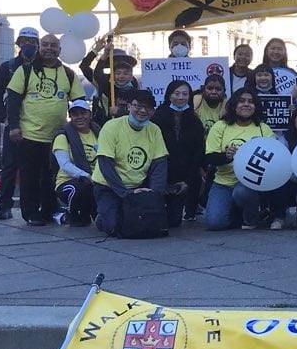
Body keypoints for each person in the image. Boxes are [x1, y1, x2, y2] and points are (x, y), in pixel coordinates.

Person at [5, 33, 86, 226]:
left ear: (60, 50)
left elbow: (79, 101)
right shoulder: (25, 71)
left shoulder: (68, 74)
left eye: (54, 46)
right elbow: (13, 100)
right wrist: (14, 127)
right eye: (45, 45)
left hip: (58, 138)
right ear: (39, 47)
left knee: (52, 177)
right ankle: (30, 213)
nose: (49, 48)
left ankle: (49, 210)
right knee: (29, 177)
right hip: (29, 135)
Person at [92, 89, 169, 235]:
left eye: (148, 108)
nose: (142, 111)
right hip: (109, 187)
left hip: (139, 186)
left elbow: (160, 163)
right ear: (128, 106)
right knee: (116, 226)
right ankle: (102, 217)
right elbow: (105, 164)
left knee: (155, 224)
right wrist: (125, 193)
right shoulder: (111, 127)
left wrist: (154, 194)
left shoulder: (155, 130)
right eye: (137, 106)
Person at [204, 89, 276, 231]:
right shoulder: (220, 126)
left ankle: (251, 219)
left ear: (256, 106)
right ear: (234, 105)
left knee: (242, 192)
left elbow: (274, 158)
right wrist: (226, 156)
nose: (246, 105)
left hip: (251, 183)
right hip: (223, 183)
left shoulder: (263, 129)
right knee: (215, 223)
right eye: (241, 101)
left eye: (250, 102)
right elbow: (209, 157)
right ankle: (238, 214)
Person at [0, 26, 39, 220]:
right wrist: (4, 117)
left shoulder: (44, 67)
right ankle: (4, 206)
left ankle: (36, 206)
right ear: (19, 44)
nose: (29, 45)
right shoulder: (8, 67)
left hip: (37, 125)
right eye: (25, 41)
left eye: (33, 42)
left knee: (37, 167)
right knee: (10, 166)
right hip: (15, 125)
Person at [153, 80, 206, 228]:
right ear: (169, 95)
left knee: (174, 222)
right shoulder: (157, 118)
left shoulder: (195, 121)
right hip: (160, 176)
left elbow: (198, 153)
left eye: (185, 94)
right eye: (177, 93)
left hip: (183, 179)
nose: (181, 97)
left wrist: (187, 181)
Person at [52, 99, 99, 226]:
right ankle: (71, 214)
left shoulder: (99, 133)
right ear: (70, 116)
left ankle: (89, 213)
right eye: (75, 114)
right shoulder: (63, 136)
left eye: (83, 113)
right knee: (80, 188)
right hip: (68, 182)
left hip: (95, 181)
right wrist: (87, 176)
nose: (79, 117)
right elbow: (65, 165)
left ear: (90, 114)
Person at [80, 37, 139, 124]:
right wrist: (98, 50)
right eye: (114, 61)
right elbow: (84, 66)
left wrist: (120, 111)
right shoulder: (103, 81)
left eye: (125, 72)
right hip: (104, 126)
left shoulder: (134, 84)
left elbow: (139, 108)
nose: (121, 76)